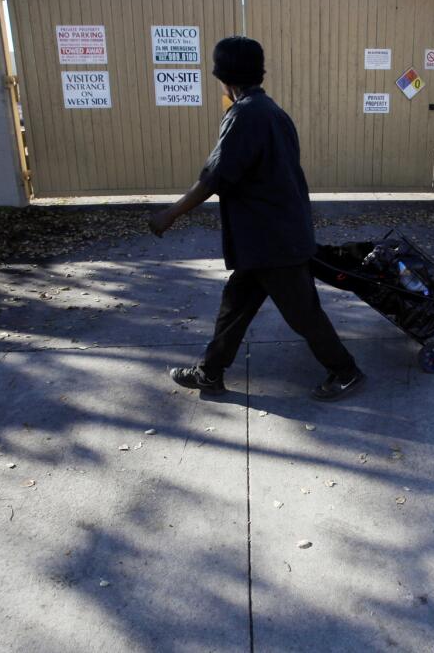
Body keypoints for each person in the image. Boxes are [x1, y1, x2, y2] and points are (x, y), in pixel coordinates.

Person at [148, 36, 365, 402]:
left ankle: (346, 372)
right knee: (235, 305)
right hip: (268, 237)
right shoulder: (271, 111)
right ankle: (210, 373)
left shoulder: (245, 115)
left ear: (223, 77)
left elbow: (214, 177)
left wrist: (171, 213)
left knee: (303, 314)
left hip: (273, 240)